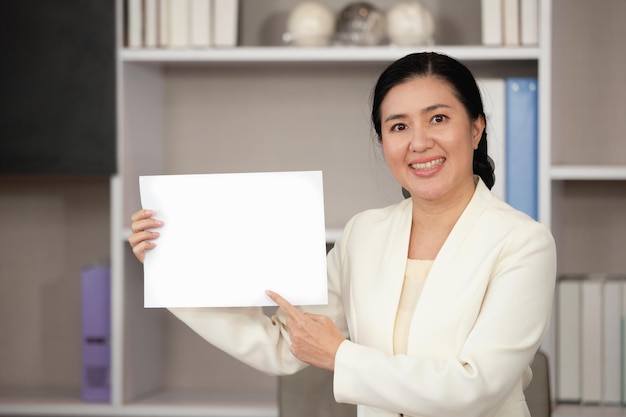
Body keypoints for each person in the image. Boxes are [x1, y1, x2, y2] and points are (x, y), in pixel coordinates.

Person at [128, 52, 556, 417]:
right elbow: (284, 342)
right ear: (383, 141)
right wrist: (173, 268)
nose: (419, 142)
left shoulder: (522, 243)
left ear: (476, 129)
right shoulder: (363, 234)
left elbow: (475, 387)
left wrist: (340, 356)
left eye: (438, 118)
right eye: (399, 127)